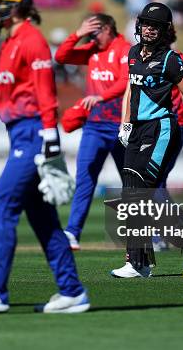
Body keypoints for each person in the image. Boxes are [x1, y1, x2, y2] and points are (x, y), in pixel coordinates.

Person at [0, 0, 90, 314]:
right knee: (43, 219)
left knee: (2, 205)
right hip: (20, 133)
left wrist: (48, 137)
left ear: (14, 6)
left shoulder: (31, 40)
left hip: (32, 134)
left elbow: (46, 92)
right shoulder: (11, 41)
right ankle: (72, 291)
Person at [108, 2, 183, 278]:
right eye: (146, 24)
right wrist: (126, 123)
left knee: (142, 193)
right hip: (137, 130)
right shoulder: (134, 53)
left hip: (161, 129)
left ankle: (145, 260)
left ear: (164, 31)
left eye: (155, 26)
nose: (149, 29)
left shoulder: (172, 59)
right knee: (131, 194)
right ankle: (144, 260)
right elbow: (131, 91)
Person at [54, 14, 130, 250]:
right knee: (85, 178)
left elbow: (126, 80)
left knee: (132, 183)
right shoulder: (92, 49)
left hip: (120, 125)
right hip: (95, 125)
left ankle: (147, 234)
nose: (92, 38)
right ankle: (73, 232)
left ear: (107, 29)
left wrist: (101, 96)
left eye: (95, 32)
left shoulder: (125, 48)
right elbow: (61, 56)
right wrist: (78, 34)